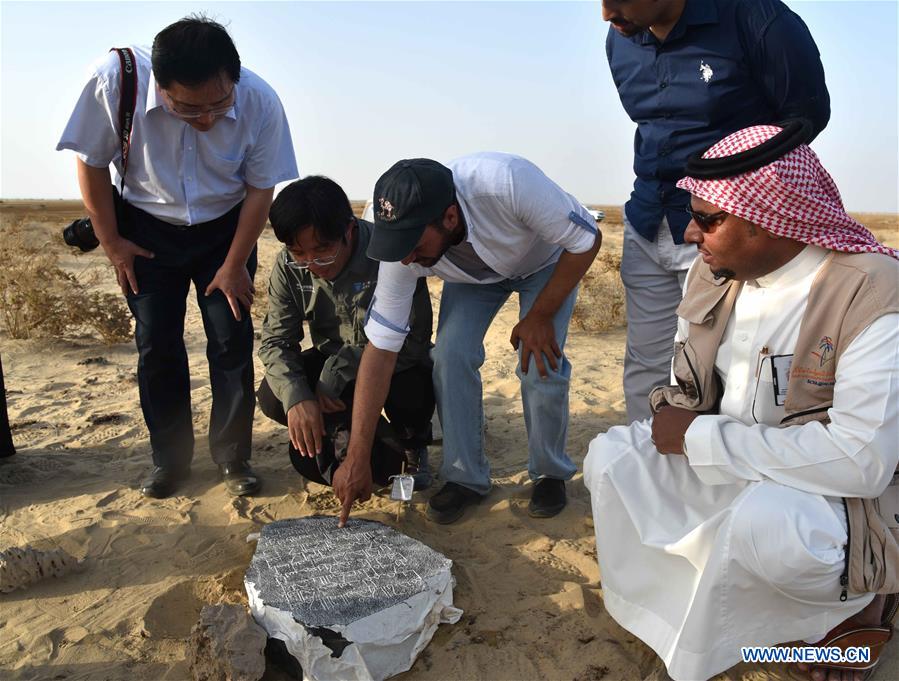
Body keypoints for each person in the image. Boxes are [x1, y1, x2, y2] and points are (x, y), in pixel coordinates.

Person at [584, 123, 899, 681]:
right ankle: (696, 625)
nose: (688, 234)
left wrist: (700, 439)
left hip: (837, 495)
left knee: (772, 528)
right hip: (729, 462)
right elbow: (686, 393)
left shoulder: (872, 292)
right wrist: (683, 426)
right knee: (611, 463)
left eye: (709, 219)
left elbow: (862, 462)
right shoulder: (714, 275)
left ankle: (855, 612)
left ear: (769, 218)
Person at [57, 16, 298, 498]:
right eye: (188, 109)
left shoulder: (260, 100)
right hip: (145, 230)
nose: (207, 119)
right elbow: (90, 161)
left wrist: (234, 263)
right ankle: (169, 461)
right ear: (160, 86)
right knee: (157, 345)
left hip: (226, 231)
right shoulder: (115, 80)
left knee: (231, 340)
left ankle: (233, 457)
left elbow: (260, 189)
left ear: (235, 77)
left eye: (218, 103)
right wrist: (112, 242)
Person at [333, 152, 601, 526]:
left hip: (545, 263)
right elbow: (380, 350)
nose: (406, 259)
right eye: (398, 246)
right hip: (472, 276)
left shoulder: (507, 182)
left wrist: (539, 316)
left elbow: (587, 239)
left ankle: (550, 473)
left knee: (539, 359)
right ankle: (465, 477)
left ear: (450, 217)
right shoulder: (400, 247)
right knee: (449, 355)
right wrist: (356, 456)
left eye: (413, 244)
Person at [601, 0, 830, 422]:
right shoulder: (621, 40)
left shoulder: (759, 21)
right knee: (646, 369)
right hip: (649, 220)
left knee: (731, 368)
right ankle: (655, 470)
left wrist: (729, 199)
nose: (605, 14)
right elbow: (654, 129)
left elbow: (805, 119)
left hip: (727, 231)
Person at [255, 176, 435, 490]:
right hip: (329, 368)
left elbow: (413, 339)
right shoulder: (288, 266)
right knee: (275, 395)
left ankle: (412, 443)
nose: (312, 264)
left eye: (322, 251)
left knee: (415, 390)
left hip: (391, 363)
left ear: (349, 230)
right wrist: (297, 399)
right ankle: (344, 431)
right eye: (298, 253)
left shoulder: (390, 254)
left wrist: (338, 371)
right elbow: (275, 341)